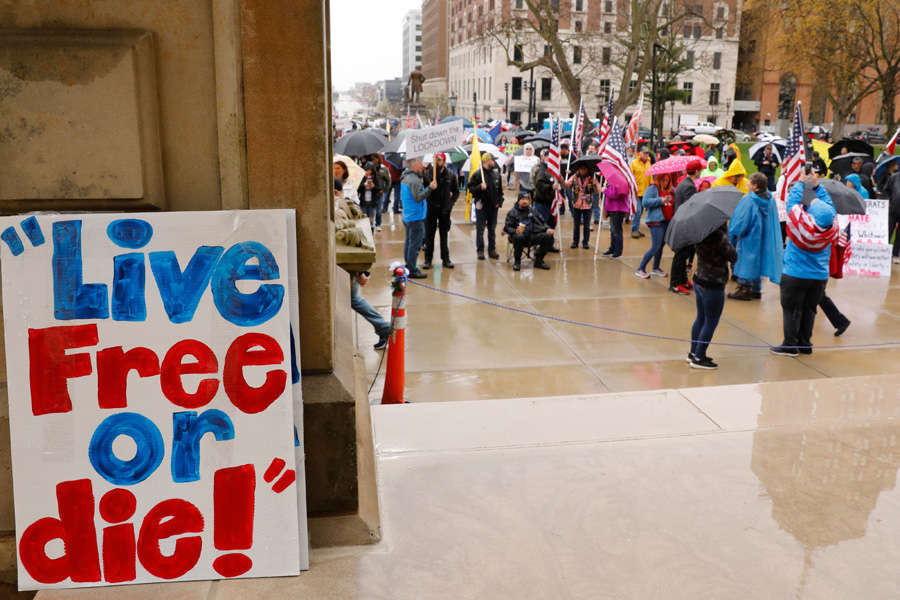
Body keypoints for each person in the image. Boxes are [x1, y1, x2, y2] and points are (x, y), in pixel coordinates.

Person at [771, 171, 837, 356]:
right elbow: (829, 207)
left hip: (795, 273)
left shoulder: (798, 222)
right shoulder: (832, 225)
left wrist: (800, 183)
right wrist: (817, 187)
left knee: (791, 310)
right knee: (810, 310)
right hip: (818, 276)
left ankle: (790, 344)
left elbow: (791, 203)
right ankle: (805, 343)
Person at [688, 225, 738, 369]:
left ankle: (693, 353)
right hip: (713, 283)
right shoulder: (720, 237)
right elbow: (734, 256)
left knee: (701, 318)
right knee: (711, 321)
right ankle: (699, 357)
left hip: (699, 279)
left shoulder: (699, 232)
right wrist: (727, 238)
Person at [727, 172, 783, 300]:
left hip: (750, 237)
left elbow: (742, 221)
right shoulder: (770, 199)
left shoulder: (749, 200)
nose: (748, 185)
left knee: (745, 261)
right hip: (765, 236)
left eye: (750, 183)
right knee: (758, 262)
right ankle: (756, 289)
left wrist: (734, 233)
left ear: (755, 186)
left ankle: (744, 289)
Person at [669, 160, 703, 294]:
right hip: (685, 224)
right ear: (695, 171)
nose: (700, 172)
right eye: (699, 170)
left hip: (681, 222)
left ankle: (682, 280)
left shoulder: (683, 182)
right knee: (681, 255)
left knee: (684, 254)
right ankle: (675, 283)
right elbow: (691, 207)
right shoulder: (689, 186)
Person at [400, 157, 437, 278]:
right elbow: (419, 197)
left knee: (409, 242)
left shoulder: (405, 177)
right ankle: (412, 269)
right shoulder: (414, 180)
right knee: (415, 245)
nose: (423, 166)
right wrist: (430, 188)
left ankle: (408, 265)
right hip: (415, 216)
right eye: (421, 163)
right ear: (415, 165)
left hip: (408, 215)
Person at [422, 153, 459, 269]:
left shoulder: (451, 175)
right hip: (431, 208)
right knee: (429, 235)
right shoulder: (428, 174)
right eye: (435, 159)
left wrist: (450, 204)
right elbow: (422, 191)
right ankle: (428, 260)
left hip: (444, 210)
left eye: (439, 160)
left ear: (444, 161)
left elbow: (456, 191)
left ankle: (446, 259)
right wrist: (430, 187)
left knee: (444, 235)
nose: (437, 162)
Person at [635, 173, 675, 279]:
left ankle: (655, 268)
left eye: (668, 180)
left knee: (660, 246)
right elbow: (645, 202)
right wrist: (661, 200)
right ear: (659, 179)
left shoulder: (671, 189)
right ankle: (640, 269)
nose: (666, 182)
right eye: (664, 180)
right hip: (656, 221)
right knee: (655, 246)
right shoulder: (653, 188)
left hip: (666, 221)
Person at [503, 191, 555, 271]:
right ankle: (517, 262)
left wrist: (547, 228)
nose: (525, 201)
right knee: (519, 237)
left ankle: (538, 259)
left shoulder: (533, 211)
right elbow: (507, 227)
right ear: (518, 201)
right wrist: (514, 231)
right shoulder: (512, 212)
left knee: (548, 236)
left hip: (532, 236)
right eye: (523, 199)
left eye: (527, 199)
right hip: (517, 237)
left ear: (530, 201)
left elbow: (542, 222)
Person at [468, 152, 504, 260]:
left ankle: (492, 250)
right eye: (493, 160)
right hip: (482, 206)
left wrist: (499, 202)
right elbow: (470, 188)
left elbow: (500, 191)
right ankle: (480, 250)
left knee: (492, 229)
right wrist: (479, 187)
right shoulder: (478, 174)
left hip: (494, 207)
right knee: (480, 230)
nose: (494, 162)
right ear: (487, 161)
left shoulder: (496, 174)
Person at [351, 271, 391, 350]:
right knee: (354, 299)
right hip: (351, 269)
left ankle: (383, 328)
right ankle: (383, 327)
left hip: (352, 269)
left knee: (354, 299)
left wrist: (360, 273)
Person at [564, 164, 598, 249]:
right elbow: (566, 185)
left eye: (584, 169)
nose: (582, 170)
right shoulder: (574, 177)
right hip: (576, 204)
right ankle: (575, 242)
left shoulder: (591, 178)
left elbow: (598, 191)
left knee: (586, 225)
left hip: (587, 204)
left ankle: (585, 242)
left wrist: (595, 184)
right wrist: (561, 180)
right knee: (576, 225)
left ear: (587, 169)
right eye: (581, 168)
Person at [600, 173, 630, 258]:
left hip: (618, 209)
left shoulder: (619, 180)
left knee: (616, 231)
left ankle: (618, 251)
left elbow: (614, 194)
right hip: (613, 208)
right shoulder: (614, 180)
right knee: (613, 230)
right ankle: (612, 248)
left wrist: (604, 190)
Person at [630, 146, 652, 238]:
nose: (646, 155)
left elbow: (650, 176)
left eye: (647, 153)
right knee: (638, 212)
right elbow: (630, 175)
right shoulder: (634, 163)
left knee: (640, 212)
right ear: (640, 153)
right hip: (636, 191)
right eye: (644, 153)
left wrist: (651, 186)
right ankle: (634, 230)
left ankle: (636, 229)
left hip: (645, 192)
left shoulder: (648, 163)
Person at [356, 162, 382, 232]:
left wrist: (373, 187)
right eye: (366, 170)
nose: (368, 172)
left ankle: (371, 235)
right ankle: (365, 234)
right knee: (364, 220)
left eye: (370, 170)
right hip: (363, 203)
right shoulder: (362, 178)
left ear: (373, 170)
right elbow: (357, 189)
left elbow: (379, 190)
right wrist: (364, 185)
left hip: (372, 203)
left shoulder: (376, 178)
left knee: (371, 221)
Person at [883, 168, 900, 263]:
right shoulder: (894, 177)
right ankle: (884, 253)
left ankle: (895, 254)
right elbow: (886, 191)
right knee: (888, 232)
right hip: (892, 210)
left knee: (899, 235)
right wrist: (887, 200)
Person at [371, 154, 392, 231]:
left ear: (378, 159)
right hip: (370, 193)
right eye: (372, 159)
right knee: (371, 210)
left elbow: (388, 181)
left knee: (379, 210)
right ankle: (371, 224)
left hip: (379, 193)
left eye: (375, 159)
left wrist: (384, 190)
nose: (374, 161)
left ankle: (378, 224)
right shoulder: (369, 168)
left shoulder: (384, 169)